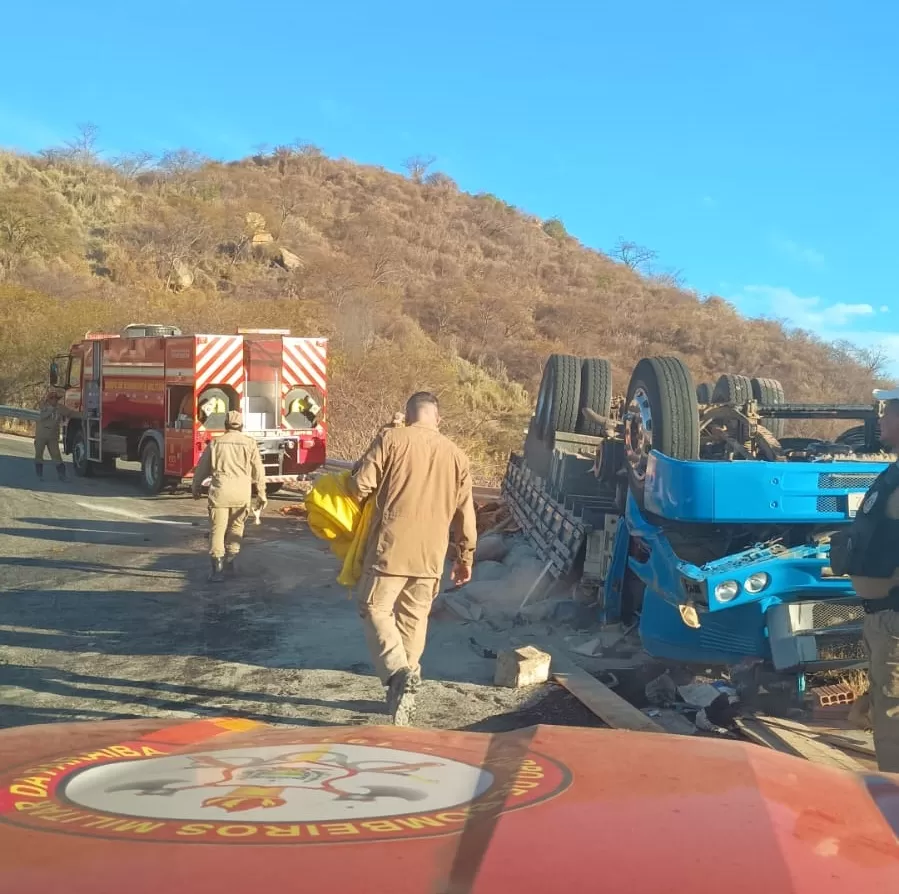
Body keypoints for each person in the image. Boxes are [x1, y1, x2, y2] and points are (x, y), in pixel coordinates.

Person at [350, 392, 477, 725]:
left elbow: (359, 485)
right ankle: (403, 694)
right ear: (438, 418)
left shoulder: (391, 438)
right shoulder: (458, 456)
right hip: (431, 556)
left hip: (390, 549)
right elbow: (466, 514)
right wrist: (465, 556)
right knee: (414, 618)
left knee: (373, 607)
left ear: (407, 416)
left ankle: (397, 673)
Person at [832, 389, 899, 771]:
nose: (880, 419)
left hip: (894, 617)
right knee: (883, 712)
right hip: (882, 620)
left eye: (889, 411)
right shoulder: (892, 474)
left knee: (894, 720)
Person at [192, 410, 267, 582]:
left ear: (225, 425)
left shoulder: (216, 443)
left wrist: (195, 486)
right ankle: (231, 563)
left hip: (220, 492)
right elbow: (258, 471)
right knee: (236, 529)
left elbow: (202, 468)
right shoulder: (250, 443)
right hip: (242, 494)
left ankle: (217, 570)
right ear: (241, 426)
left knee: (217, 530)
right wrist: (262, 493)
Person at [34, 390, 79, 482]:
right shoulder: (43, 406)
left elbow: (70, 413)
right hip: (41, 436)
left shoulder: (60, 408)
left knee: (57, 456)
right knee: (39, 455)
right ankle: (39, 475)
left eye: (56, 399)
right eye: (52, 398)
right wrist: (50, 410)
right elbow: (41, 416)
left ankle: (62, 476)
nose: (54, 400)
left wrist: (84, 415)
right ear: (48, 399)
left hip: (53, 437)